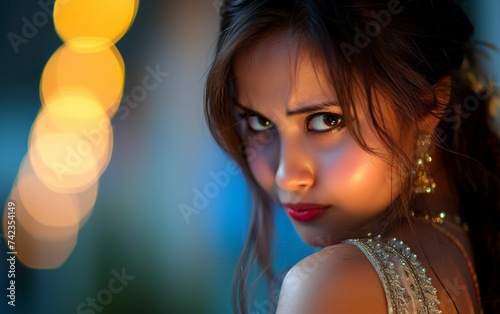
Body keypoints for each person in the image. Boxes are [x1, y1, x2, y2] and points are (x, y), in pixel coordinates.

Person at [204, 0, 500, 313]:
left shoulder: (332, 287)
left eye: (325, 120)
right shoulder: (470, 241)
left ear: (425, 106)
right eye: (259, 122)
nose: (286, 176)